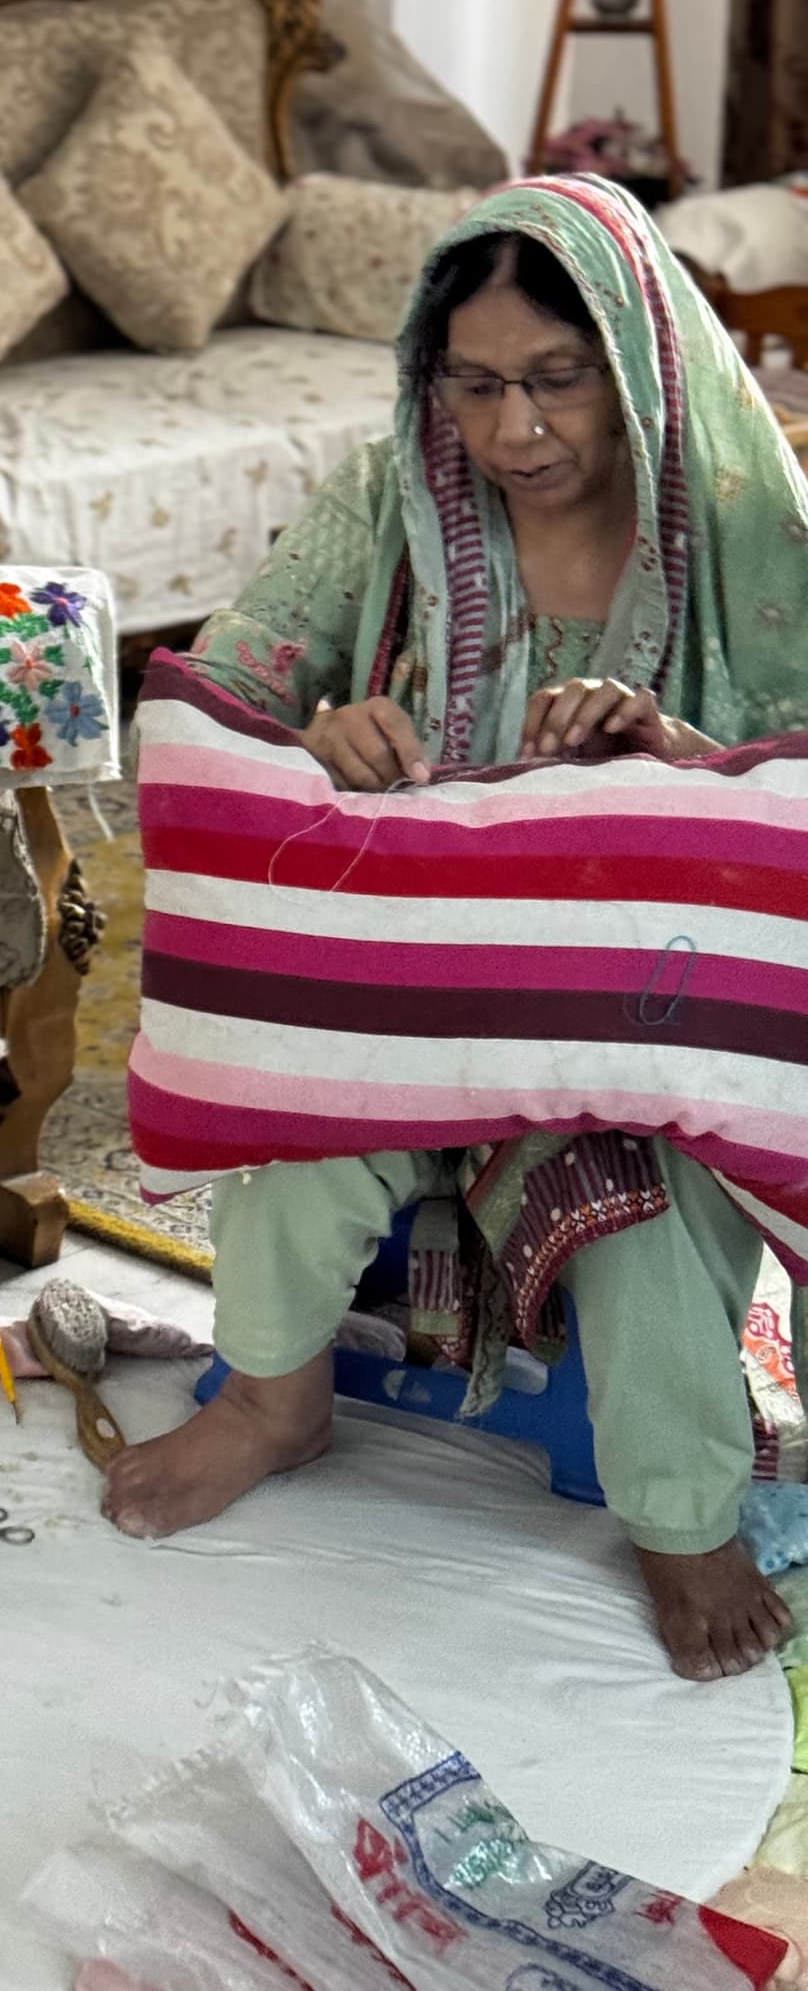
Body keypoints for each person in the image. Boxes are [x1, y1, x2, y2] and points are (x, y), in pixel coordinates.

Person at [102, 173, 808, 1684]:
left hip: (648, 1029)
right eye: (475, 383)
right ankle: (275, 1401)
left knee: (641, 1213)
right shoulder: (395, 494)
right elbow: (232, 680)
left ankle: (681, 1517)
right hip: (416, 1000)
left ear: (636, 367)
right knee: (303, 1148)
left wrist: (678, 757)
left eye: (557, 381)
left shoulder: (754, 534)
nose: (513, 432)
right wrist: (325, 726)